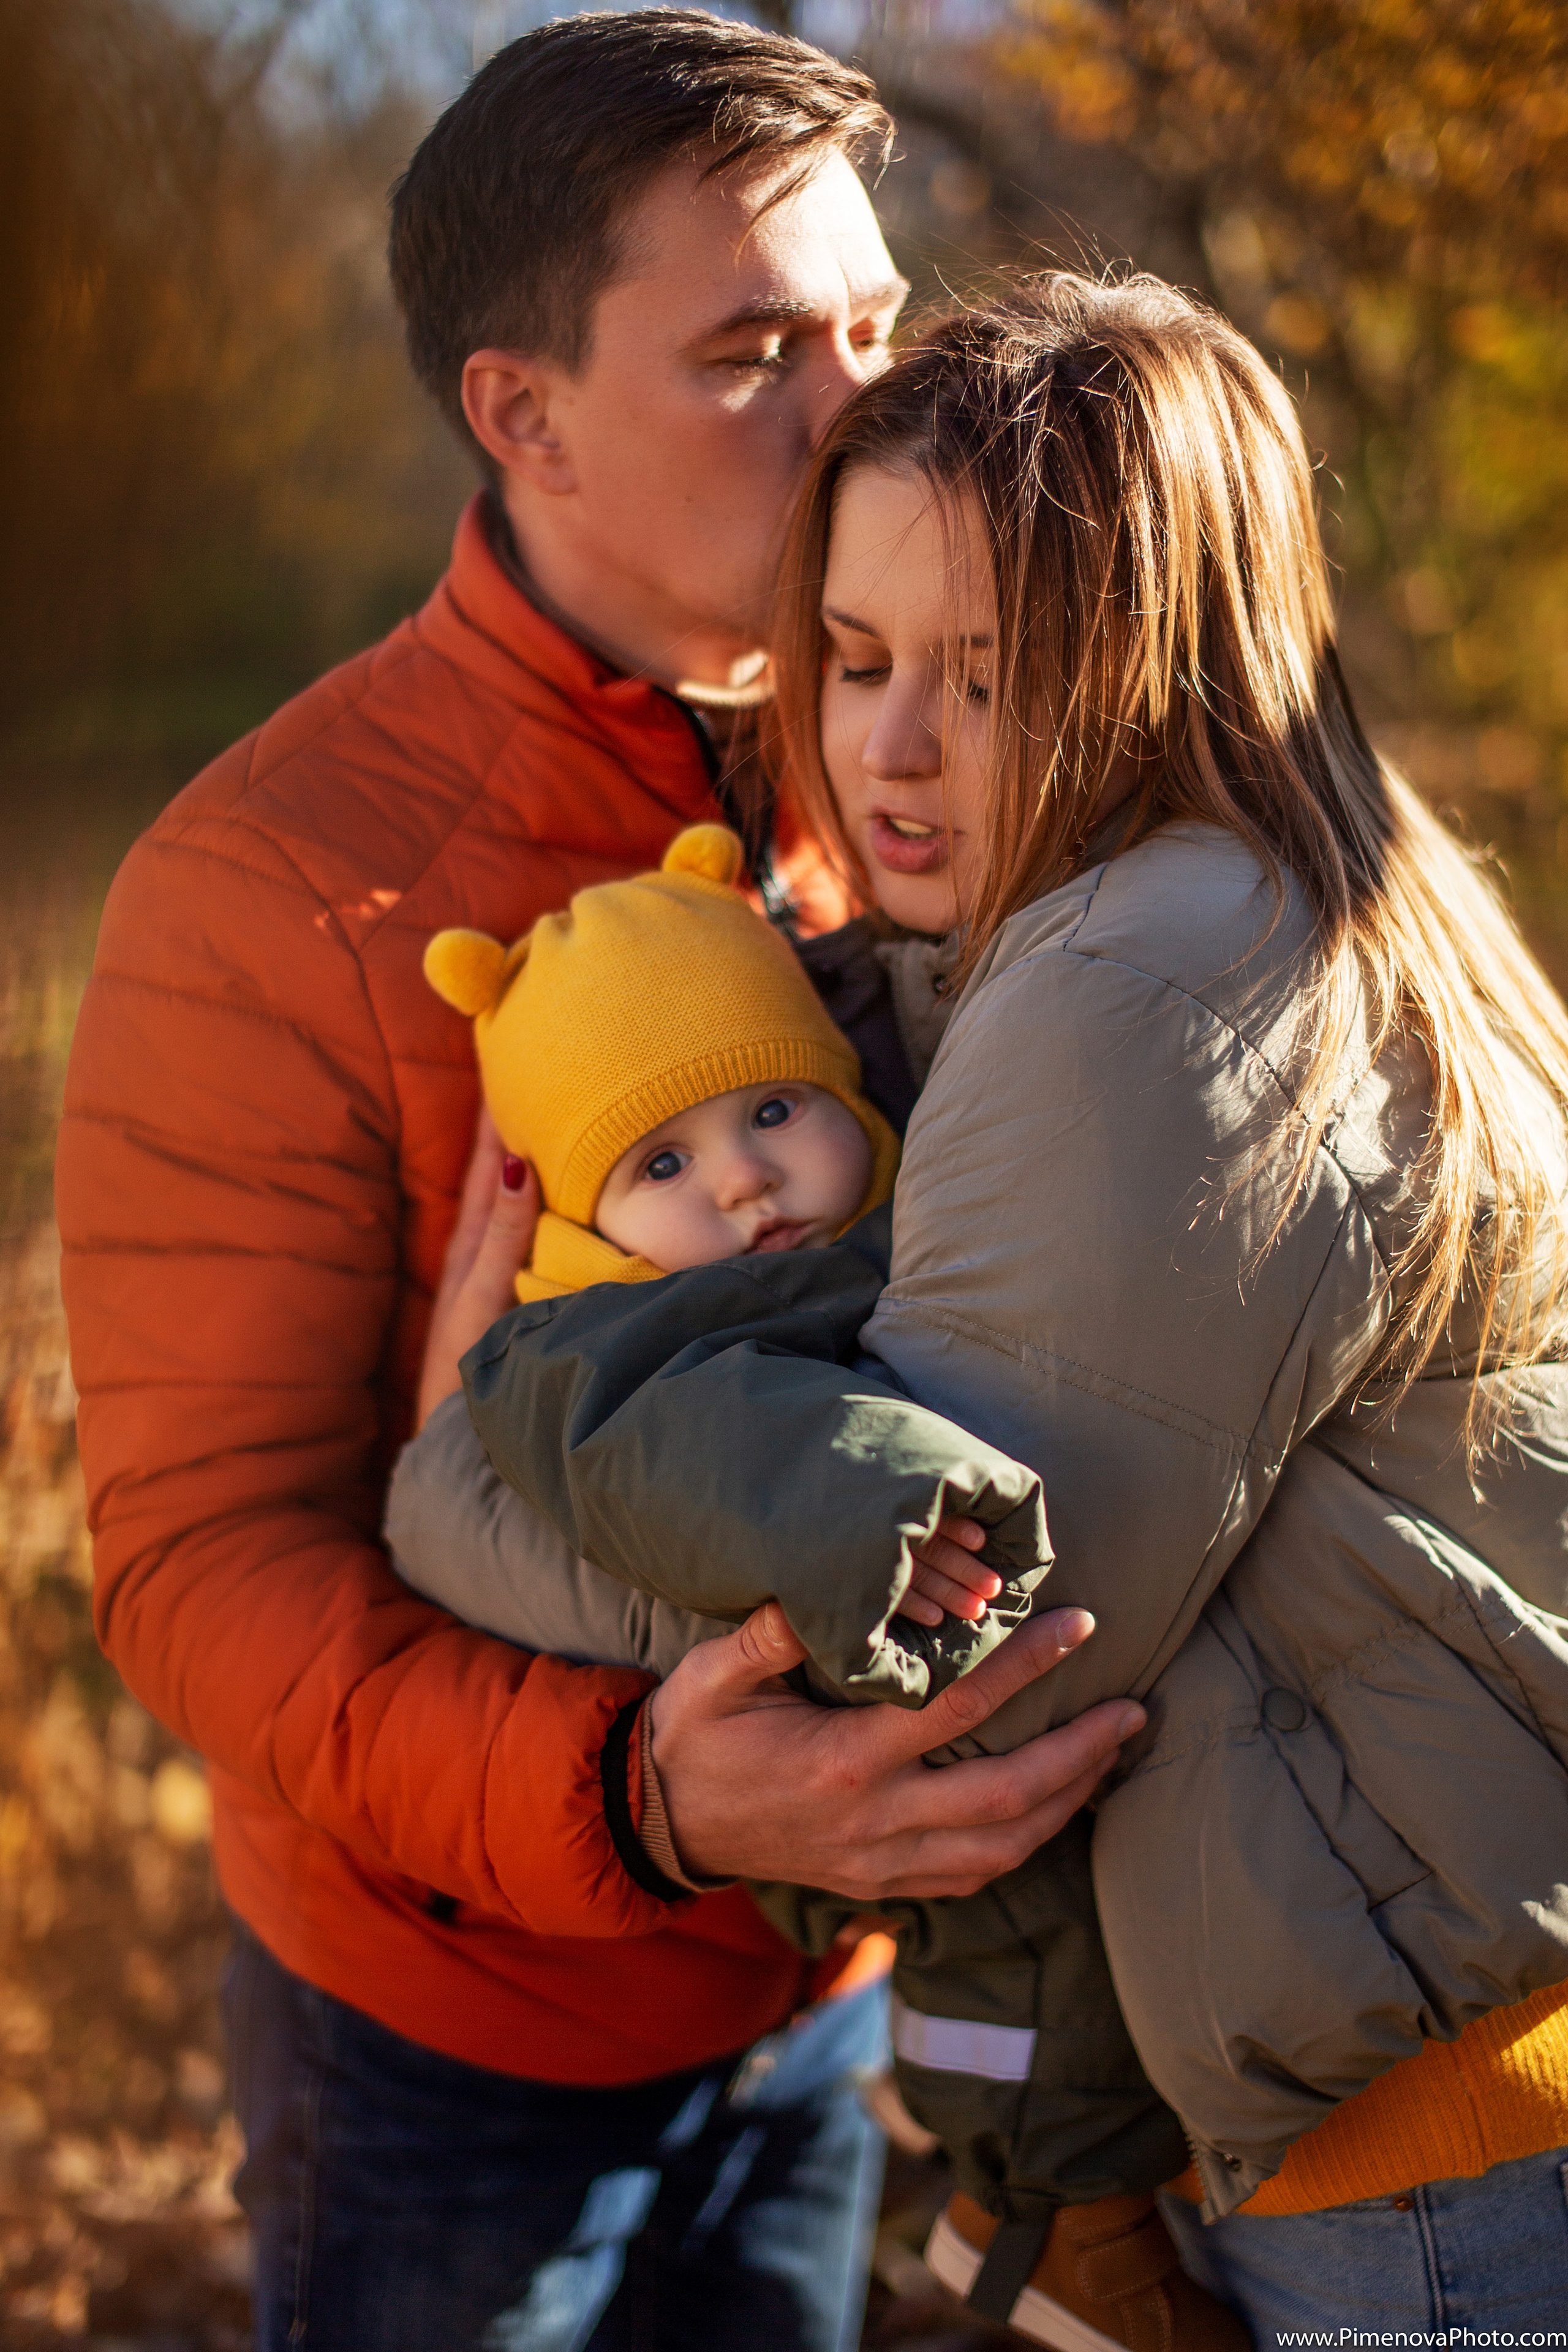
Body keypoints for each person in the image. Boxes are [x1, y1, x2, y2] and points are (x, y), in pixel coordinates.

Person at [55, 21, 1147, 2348]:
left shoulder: (934, 757)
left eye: (874, 328)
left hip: (848, 1986)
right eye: (754, 352)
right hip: (455, 2043)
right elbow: (193, 1562)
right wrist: (639, 1796)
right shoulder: (269, 888)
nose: (853, 408)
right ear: (522, 414)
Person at [443, 274, 1568, 2346]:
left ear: (1168, 665)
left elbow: (955, 1659)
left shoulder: (1146, 991)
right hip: (1441, 2081)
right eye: (853, 657)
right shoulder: (1311, 884)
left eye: (994, 674)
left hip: (1417, 2183)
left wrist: (472, 1450)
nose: (884, 747)